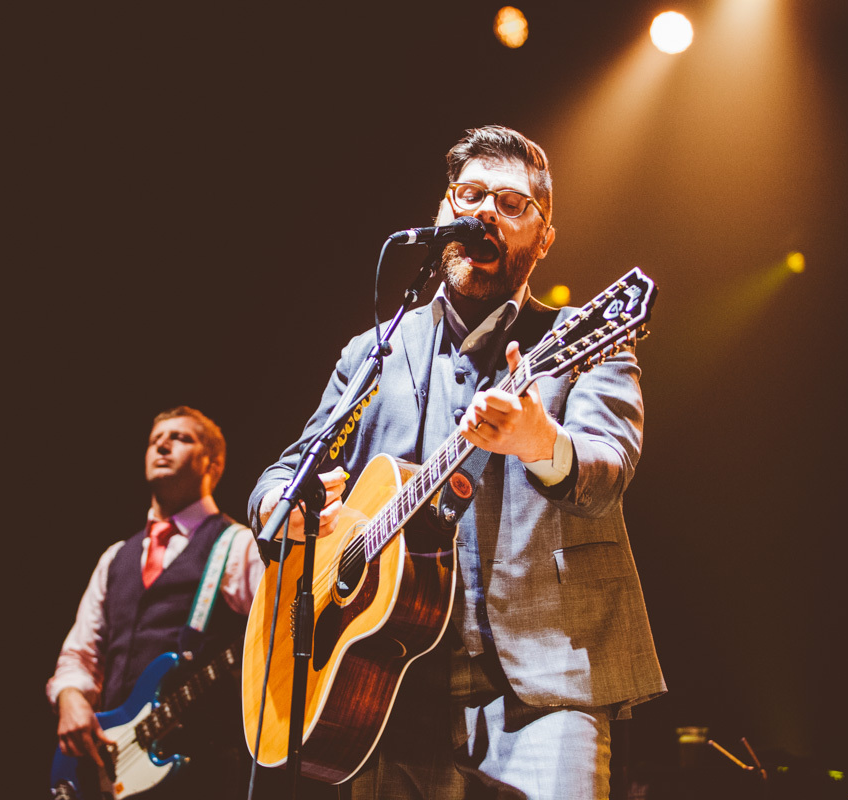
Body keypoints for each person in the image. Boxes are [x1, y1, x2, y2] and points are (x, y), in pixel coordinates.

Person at [250, 125, 666, 799]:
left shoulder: (586, 338)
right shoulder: (373, 353)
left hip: (542, 689)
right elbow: (285, 473)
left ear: (544, 237)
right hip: (385, 687)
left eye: (511, 203)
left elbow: (607, 467)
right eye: (470, 195)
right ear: (442, 213)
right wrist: (284, 511)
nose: (484, 215)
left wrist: (541, 442)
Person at [47, 406, 263, 799]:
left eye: (181, 437)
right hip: (113, 769)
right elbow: (79, 655)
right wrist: (71, 698)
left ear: (212, 463)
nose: (163, 444)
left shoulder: (239, 544)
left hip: (205, 770)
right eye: (155, 440)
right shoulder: (115, 557)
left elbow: (278, 624)